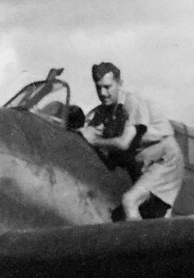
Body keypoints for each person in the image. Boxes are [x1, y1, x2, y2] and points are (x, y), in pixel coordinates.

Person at [79, 62, 185, 220]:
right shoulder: (105, 110)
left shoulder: (132, 102)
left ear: (119, 84)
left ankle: (141, 244)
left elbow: (123, 143)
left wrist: (94, 140)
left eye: (107, 87)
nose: (102, 93)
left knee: (130, 201)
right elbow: (92, 129)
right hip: (143, 161)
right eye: (98, 87)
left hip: (164, 159)